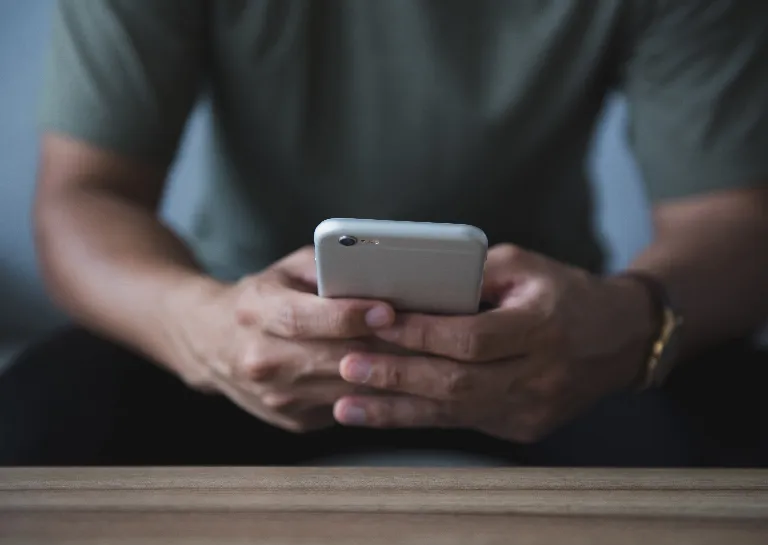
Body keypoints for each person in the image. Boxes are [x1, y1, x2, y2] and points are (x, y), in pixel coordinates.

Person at [1, 0, 767, 467]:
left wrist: (627, 321)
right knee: (37, 415)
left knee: (740, 411)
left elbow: (731, 222)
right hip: (241, 330)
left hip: (554, 350)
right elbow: (82, 197)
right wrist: (200, 326)